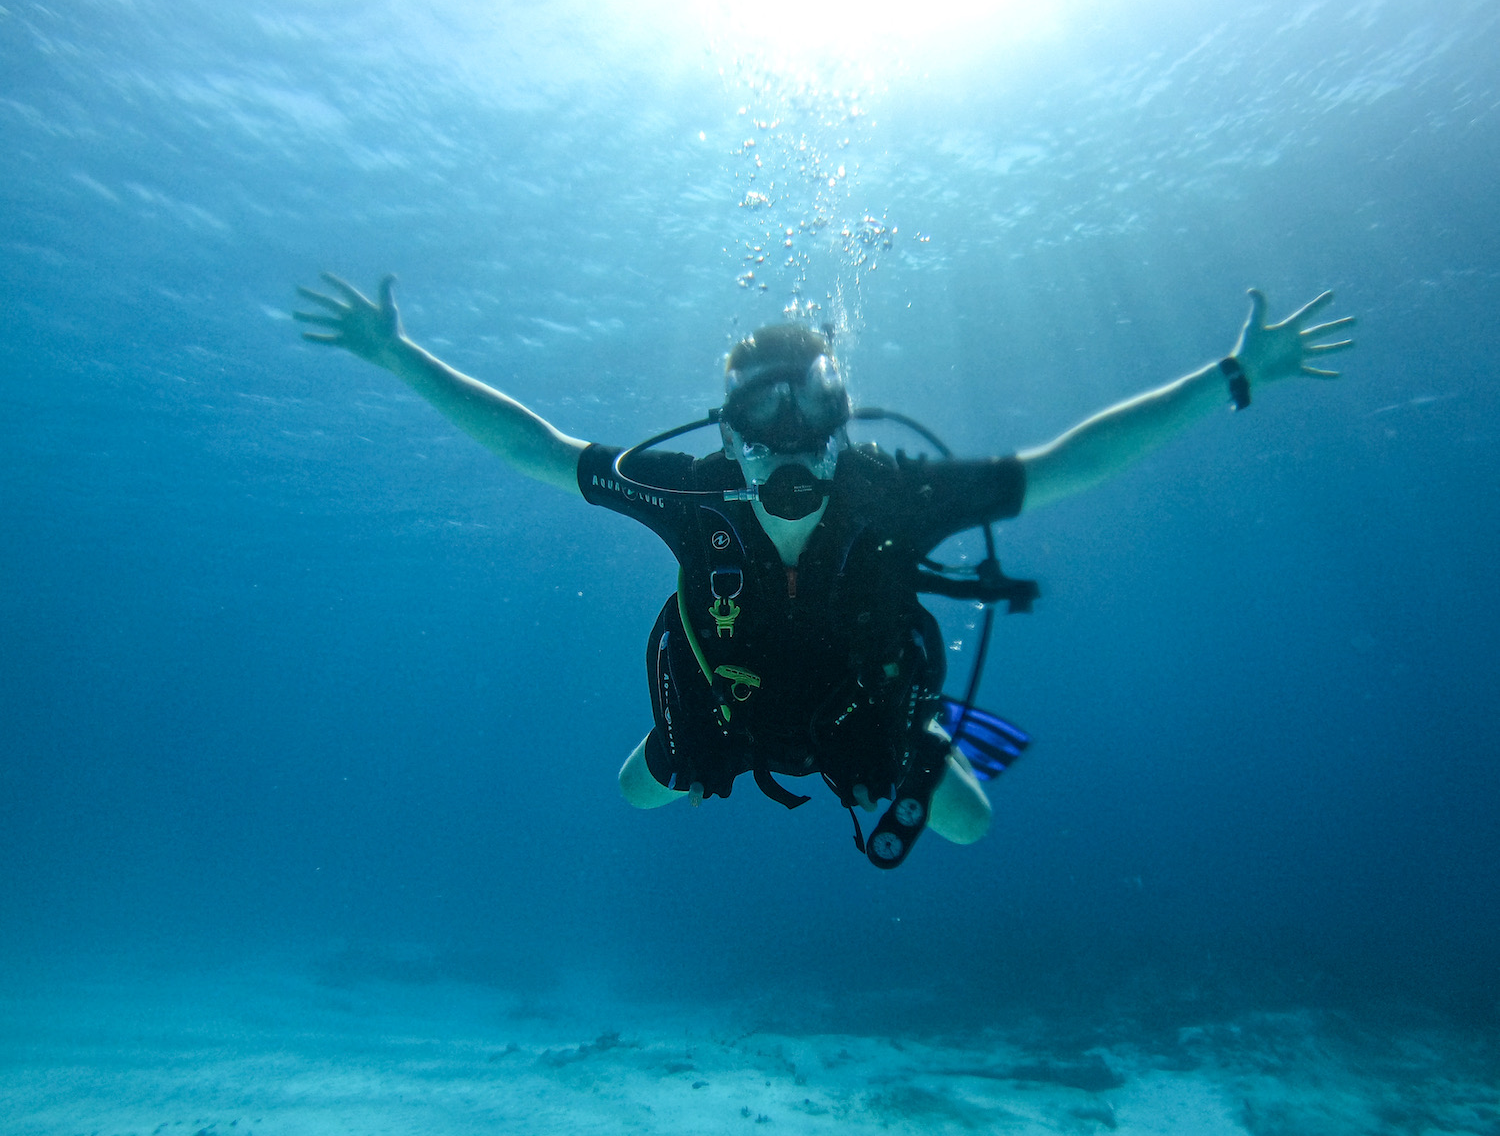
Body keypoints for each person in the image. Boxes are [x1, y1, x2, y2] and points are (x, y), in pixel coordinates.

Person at [293, 274, 1354, 866]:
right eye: (763, 414)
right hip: (729, 702)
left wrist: (1233, 378)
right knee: (634, 794)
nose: (790, 440)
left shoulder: (898, 495)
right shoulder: (689, 490)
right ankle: (711, 738)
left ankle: (930, 729)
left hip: (864, 707)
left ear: (846, 421)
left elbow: (1067, 465)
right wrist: (396, 353)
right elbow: (536, 446)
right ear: (729, 426)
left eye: (815, 411)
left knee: (973, 823)